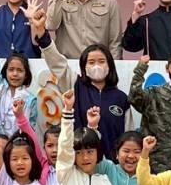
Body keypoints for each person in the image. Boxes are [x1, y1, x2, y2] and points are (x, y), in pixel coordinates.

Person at [40, 10, 129, 161]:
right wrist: (43, 36)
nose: (96, 66)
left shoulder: (121, 98)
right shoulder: (75, 85)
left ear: (110, 65)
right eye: (91, 62)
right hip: (79, 163)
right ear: (84, 67)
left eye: (101, 61)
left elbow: (128, 136)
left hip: (112, 166)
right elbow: (57, 63)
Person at [0, 0, 40, 138]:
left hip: (17, 145)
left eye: (20, 70)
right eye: (11, 70)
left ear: (26, 74)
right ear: (5, 71)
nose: (15, 74)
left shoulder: (30, 99)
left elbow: (31, 129)